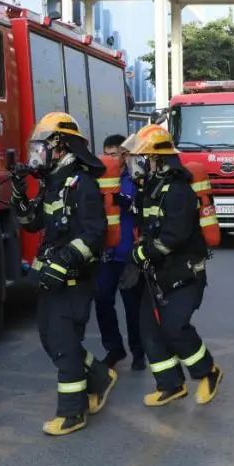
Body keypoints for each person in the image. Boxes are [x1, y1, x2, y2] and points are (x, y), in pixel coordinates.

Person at [12, 112, 118, 436]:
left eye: (42, 146)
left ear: (61, 147)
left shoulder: (82, 184)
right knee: (51, 339)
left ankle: (72, 413)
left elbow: (94, 233)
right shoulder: (54, 182)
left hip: (74, 280)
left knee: (63, 343)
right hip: (53, 278)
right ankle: (99, 376)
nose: (37, 153)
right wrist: (18, 193)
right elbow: (32, 223)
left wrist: (62, 263)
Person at [124, 124, 223, 407]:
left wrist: (140, 254)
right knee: (149, 330)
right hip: (157, 272)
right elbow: (147, 229)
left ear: (157, 159)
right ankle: (170, 385)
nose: (136, 165)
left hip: (184, 272)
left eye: (141, 158)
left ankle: (208, 372)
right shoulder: (151, 188)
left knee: (174, 328)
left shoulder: (179, 190)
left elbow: (173, 237)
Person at [96, 135, 145, 371]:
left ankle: (138, 351)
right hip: (106, 253)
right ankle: (114, 348)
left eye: (114, 154)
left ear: (124, 155)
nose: (109, 159)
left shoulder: (135, 178)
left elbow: (140, 206)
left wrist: (122, 199)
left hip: (128, 254)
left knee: (132, 307)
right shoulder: (99, 178)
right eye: (106, 154)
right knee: (102, 301)